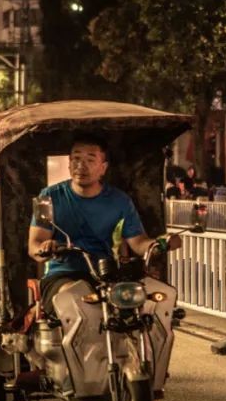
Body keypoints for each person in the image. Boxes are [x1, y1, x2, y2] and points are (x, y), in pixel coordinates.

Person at [28, 134, 182, 316]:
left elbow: (138, 243)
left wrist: (160, 244)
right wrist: (46, 247)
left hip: (107, 275)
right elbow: (34, 244)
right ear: (69, 163)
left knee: (151, 303)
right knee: (76, 299)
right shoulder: (49, 197)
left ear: (103, 168)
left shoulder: (120, 201)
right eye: (76, 159)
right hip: (62, 275)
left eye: (90, 160)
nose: (80, 165)